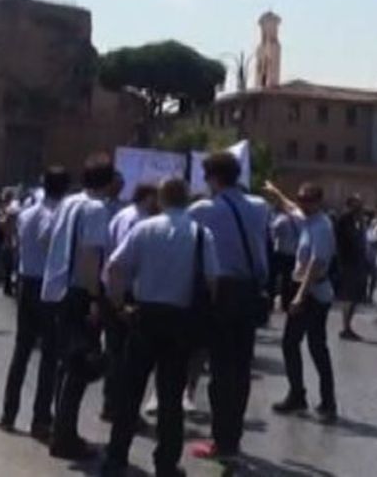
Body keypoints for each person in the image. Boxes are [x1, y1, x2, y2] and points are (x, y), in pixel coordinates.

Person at [101, 178, 218, 477]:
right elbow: (212, 281)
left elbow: (114, 267)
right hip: (180, 321)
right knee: (171, 398)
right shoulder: (201, 234)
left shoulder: (144, 228)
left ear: (161, 199)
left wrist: (118, 305)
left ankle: (116, 457)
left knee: (130, 392)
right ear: (187, 199)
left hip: (145, 316)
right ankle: (166, 463)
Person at [186, 152, 269, 460]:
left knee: (220, 369)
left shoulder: (203, 209)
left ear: (213, 178)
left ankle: (222, 441)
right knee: (241, 367)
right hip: (251, 291)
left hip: (220, 292)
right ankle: (233, 437)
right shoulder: (261, 207)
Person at [42, 155, 114, 461]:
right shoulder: (96, 209)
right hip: (79, 291)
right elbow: (89, 255)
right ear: (108, 182)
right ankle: (65, 437)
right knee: (79, 366)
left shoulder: (69, 203)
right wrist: (96, 298)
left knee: (66, 363)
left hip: (57, 288)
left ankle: (60, 428)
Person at [0, 167, 69, 440]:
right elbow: (46, 237)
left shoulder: (26, 213)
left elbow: (15, 238)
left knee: (22, 350)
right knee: (49, 354)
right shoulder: (54, 215)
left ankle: (9, 412)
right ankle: (41, 417)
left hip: (25, 281)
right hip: (44, 285)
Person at [266, 182, 338, 422]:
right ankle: (298, 394)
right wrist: (276, 192)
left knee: (316, 347)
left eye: (307, 199)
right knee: (292, 343)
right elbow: (290, 207)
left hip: (313, 293)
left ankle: (327, 402)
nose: (302, 203)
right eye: (301, 198)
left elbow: (316, 264)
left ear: (318, 201)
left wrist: (299, 296)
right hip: (304, 289)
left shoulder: (321, 226)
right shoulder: (307, 219)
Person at [100, 183, 158, 422]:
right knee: (127, 356)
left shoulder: (122, 215)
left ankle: (111, 403)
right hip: (126, 294)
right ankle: (120, 409)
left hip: (114, 290)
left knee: (116, 352)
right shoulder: (138, 222)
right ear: (149, 197)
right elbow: (123, 262)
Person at [335, 195, 369, 340]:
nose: (360, 207)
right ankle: (345, 327)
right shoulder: (345, 219)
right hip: (348, 261)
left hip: (357, 261)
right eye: (357, 204)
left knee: (354, 296)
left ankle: (348, 325)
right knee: (348, 296)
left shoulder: (356, 220)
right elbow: (352, 238)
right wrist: (360, 225)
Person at [269, 203, 300, 313]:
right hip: (294, 253)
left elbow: (273, 233)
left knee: (274, 278)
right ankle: (286, 303)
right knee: (288, 279)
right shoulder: (300, 220)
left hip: (281, 252)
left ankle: (271, 302)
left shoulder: (281, 220)